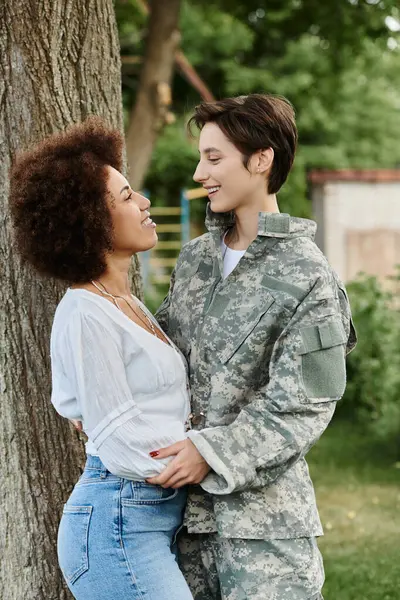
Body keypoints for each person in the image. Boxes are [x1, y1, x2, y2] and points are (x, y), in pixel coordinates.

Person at [149, 94, 357, 600]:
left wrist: (210, 452)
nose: (200, 173)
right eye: (202, 158)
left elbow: (304, 405)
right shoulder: (196, 260)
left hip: (268, 536)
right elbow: (159, 358)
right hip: (180, 528)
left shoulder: (308, 274)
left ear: (261, 159)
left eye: (214, 158)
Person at [9, 117, 198, 600]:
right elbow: (119, 440)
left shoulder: (128, 305)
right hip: (119, 525)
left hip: (145, 516)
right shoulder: (86, 313)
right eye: (127, 196)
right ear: (89, 219)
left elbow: (108, 412)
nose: (145, 202)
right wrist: (203, 458)